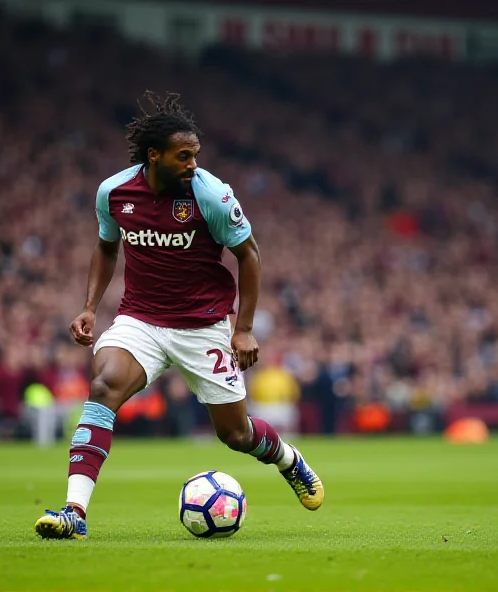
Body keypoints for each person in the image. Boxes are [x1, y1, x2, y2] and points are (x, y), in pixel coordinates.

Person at [34, 92, 323, 540]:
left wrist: (242, 328)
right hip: (141, 321)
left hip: (203, 325)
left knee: (237, 435)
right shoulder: (113, 193)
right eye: (182, 156)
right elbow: (106, 247)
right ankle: (75, 512)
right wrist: (90, 307)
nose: (192, 164)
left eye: (195, 155)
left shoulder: (211, 194)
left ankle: (289, 460)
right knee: (103, 386)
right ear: (154, 156)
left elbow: (249, 255)